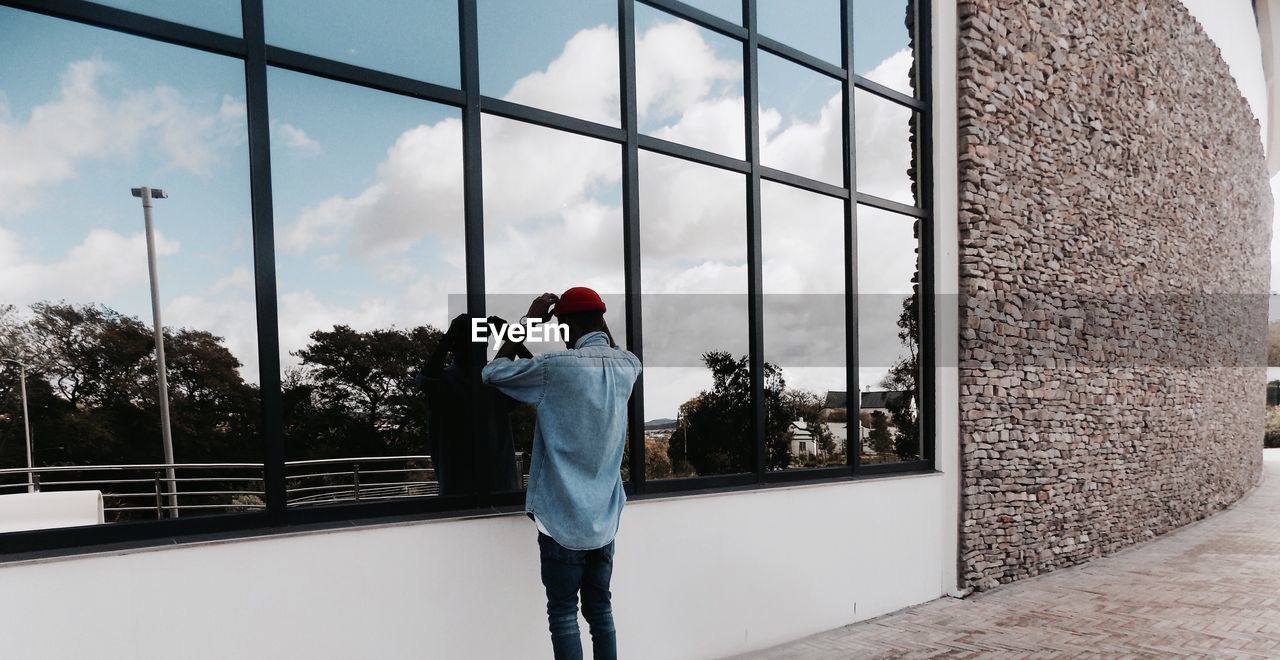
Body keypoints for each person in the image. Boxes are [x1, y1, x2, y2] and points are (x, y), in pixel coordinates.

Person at [481, 287, 641, 660]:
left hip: (562, 521)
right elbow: (612, 350)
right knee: (601, 613)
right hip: (603, 522)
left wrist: (530, 322)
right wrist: (591, 317)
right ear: (601, 320)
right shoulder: (629, 366)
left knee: (563, 615)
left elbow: (493, 372)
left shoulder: (555, 367)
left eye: (560, 327)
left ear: (566, 325)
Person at [416, 313, 524, 496]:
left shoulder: (444, 383)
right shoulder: (495, 382)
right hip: (501, 486)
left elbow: (425, 379)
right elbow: (530, 371)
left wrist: (449, 337)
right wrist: (511, 338)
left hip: (457, 488)